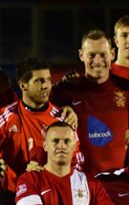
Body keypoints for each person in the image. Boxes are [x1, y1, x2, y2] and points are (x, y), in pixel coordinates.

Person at [52, 29, 129, 176]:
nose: (98, 61)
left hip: (121, 182)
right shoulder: (65, 93)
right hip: (80, 182)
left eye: (103, 55)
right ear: (81, 55)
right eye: (91, 55)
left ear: (112, 54)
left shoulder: (128, 91)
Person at [0, 57, 79, 193]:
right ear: (23, 85)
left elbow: (77, 162)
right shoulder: (6, 117)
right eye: (39, 81)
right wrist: (19, 176)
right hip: (12, 194)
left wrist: (47, 172)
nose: (46, 85)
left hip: (52, 192)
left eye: (48, 79)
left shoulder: (62, 118)